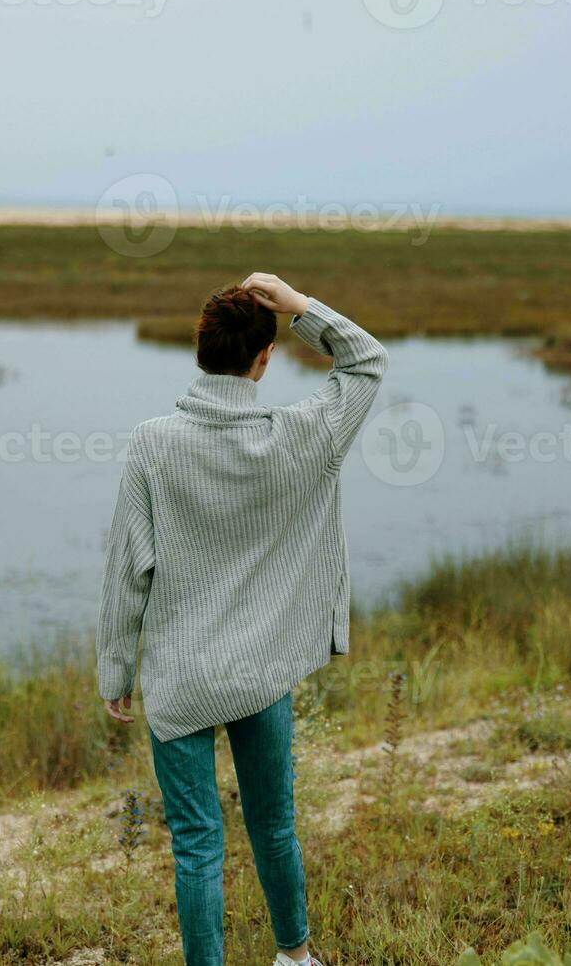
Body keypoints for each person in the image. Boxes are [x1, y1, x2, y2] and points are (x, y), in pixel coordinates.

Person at [96, 271, 388, 966]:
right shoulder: (303, 435)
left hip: (181, 676)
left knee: (197, 844)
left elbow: (126, 567)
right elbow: (367, 362)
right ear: (264, 359)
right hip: (261, 671)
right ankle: (294, 957)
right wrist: (299, 306)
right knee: (274, 826)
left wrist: (115, 667)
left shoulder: (152, 444)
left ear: (200, 348)